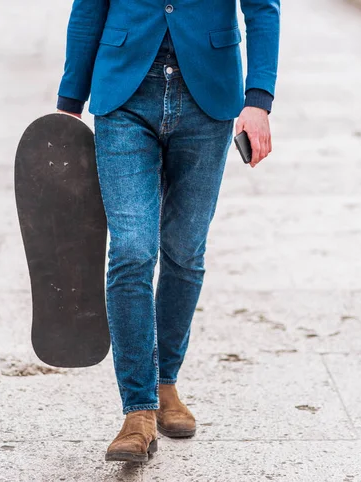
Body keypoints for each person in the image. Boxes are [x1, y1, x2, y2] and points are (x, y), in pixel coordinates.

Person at [56, 0, 280, 463]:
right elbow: (87, 7)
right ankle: (137, 410)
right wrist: (68, 104)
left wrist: (258, 99)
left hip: (209, 94)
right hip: (123, 89)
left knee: (184, 251)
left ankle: (165, 383)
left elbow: (263, 9)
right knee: (133, 249)